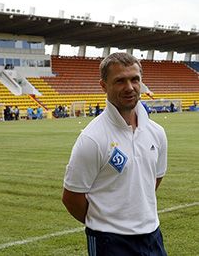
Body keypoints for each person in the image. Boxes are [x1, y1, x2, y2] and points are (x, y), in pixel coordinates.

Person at [62, 52, 168, 256]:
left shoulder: (157, 132)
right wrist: (105, 221)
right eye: (120, 81)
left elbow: (154, 180)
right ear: (103, 85)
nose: (129, 87)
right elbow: (72, 197)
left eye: (134, 79)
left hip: (152, 235)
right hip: (110, 241)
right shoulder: (92, 139)